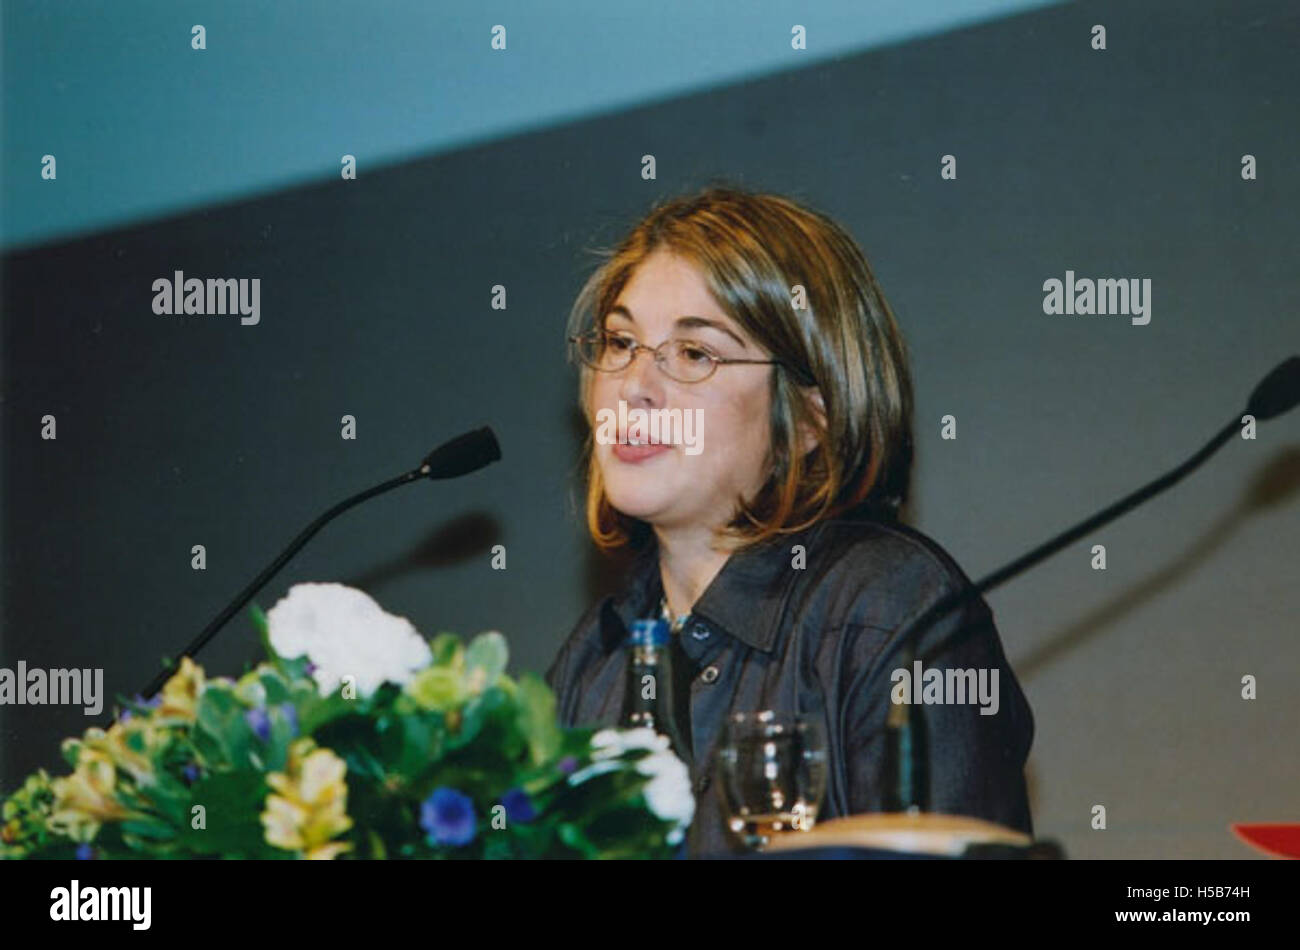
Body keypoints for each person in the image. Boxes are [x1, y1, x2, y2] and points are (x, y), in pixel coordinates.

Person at [545, 185, 1033, 858]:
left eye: (694, 354)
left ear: (808, 419)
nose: (633, 385)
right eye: (622, 341)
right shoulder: (594, 662)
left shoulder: (893, 611)